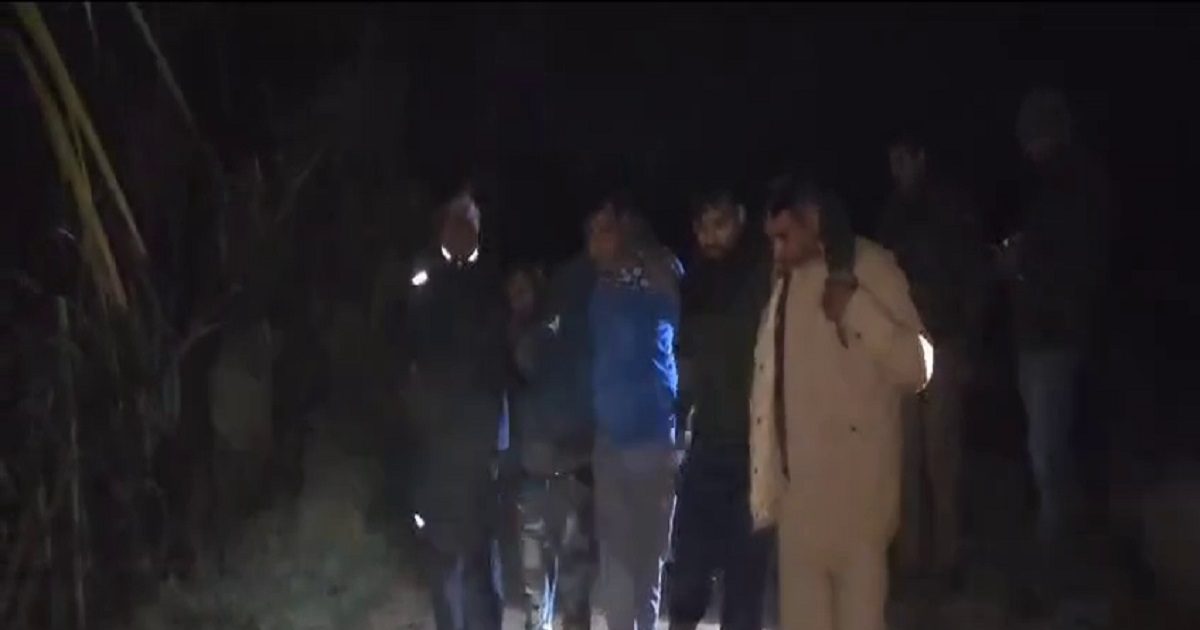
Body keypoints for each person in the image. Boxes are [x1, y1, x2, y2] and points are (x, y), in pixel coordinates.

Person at [749, 175, 932, 630]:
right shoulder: (785, 280)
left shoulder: (872, 269)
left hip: (859, 512)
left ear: (813, 220)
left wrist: (856, 309)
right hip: (798, 511)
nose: (776, 250)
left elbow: (918, 367)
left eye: (783, 236)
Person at [999, 89, 1113, 610]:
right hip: (1040, 338)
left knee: (1049, 458)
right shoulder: (1054, 186)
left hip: (1052, 339)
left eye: (1032, 132)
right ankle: (1059, 571)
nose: (1027, 144)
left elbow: (1070, 267)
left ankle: (1058, 580)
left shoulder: (1074, 186)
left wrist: (1021, 265)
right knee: (1046, 455)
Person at [875, 133, 989, 588]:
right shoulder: (892, 214)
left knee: (941, 456)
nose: (897, 168)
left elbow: (973, 278)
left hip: (943, 341)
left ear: (921, 158)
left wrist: (967, 341)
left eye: (903, 158)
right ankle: (910, 560)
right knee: (905, 456)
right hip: (903, 346)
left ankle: (947, 559)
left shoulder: (949, 208)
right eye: (892, 160)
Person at [667, 190, 772, 630]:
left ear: (741, 219)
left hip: (756, 452)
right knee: (687, 575)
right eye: (703, 226)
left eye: (720, 224)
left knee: (745, 584)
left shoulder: (764, 276)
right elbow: (685, 361)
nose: (710, 236)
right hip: (706, 444)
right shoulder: (694, 283)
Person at [404, 188, 507, 630]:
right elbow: (407, 346)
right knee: (444, 557)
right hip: (438, 442)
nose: (460, 232)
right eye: (453, 223)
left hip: (479, 442)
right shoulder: (425, 277)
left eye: (468, 224)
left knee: (480, 556)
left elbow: (499, 358)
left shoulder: (492, 280)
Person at [586, 191, 683, 630]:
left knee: (646, 559)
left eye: (605, 229)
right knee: (620, 562)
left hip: (652, 438)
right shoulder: (599, 285)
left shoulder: (656, 275)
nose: (596, 239)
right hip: (613, 438)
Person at [507, 260, 598, 630]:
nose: (518, 298)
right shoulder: (512, 336)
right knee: (534, 579)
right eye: (512, 293)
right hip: (533, 472)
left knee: (576, 577)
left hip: (573, 471)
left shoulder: (562, 331)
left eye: (523, 289)